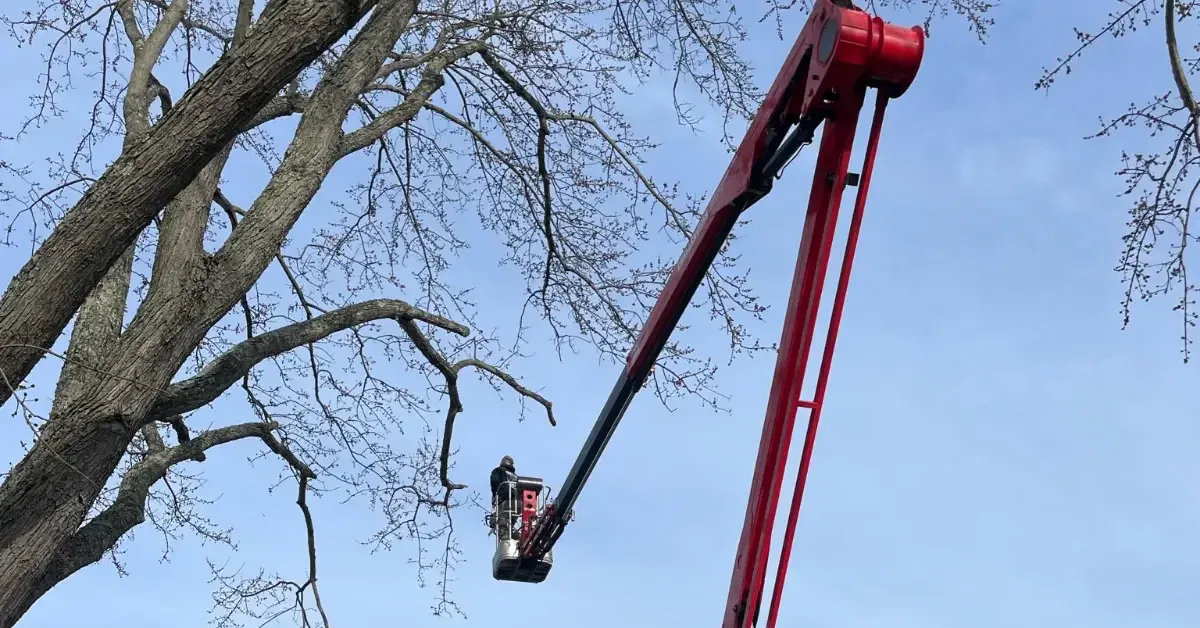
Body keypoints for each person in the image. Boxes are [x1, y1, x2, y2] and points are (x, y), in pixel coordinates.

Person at [489, 455, 519, 540]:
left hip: (511, 498)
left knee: (507, 516)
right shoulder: (499, 471)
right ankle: (507, 534)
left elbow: (495, 483)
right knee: (506, 516)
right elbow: (495, 483)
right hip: (508, 498)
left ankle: (509, 533)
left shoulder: (513, 475)